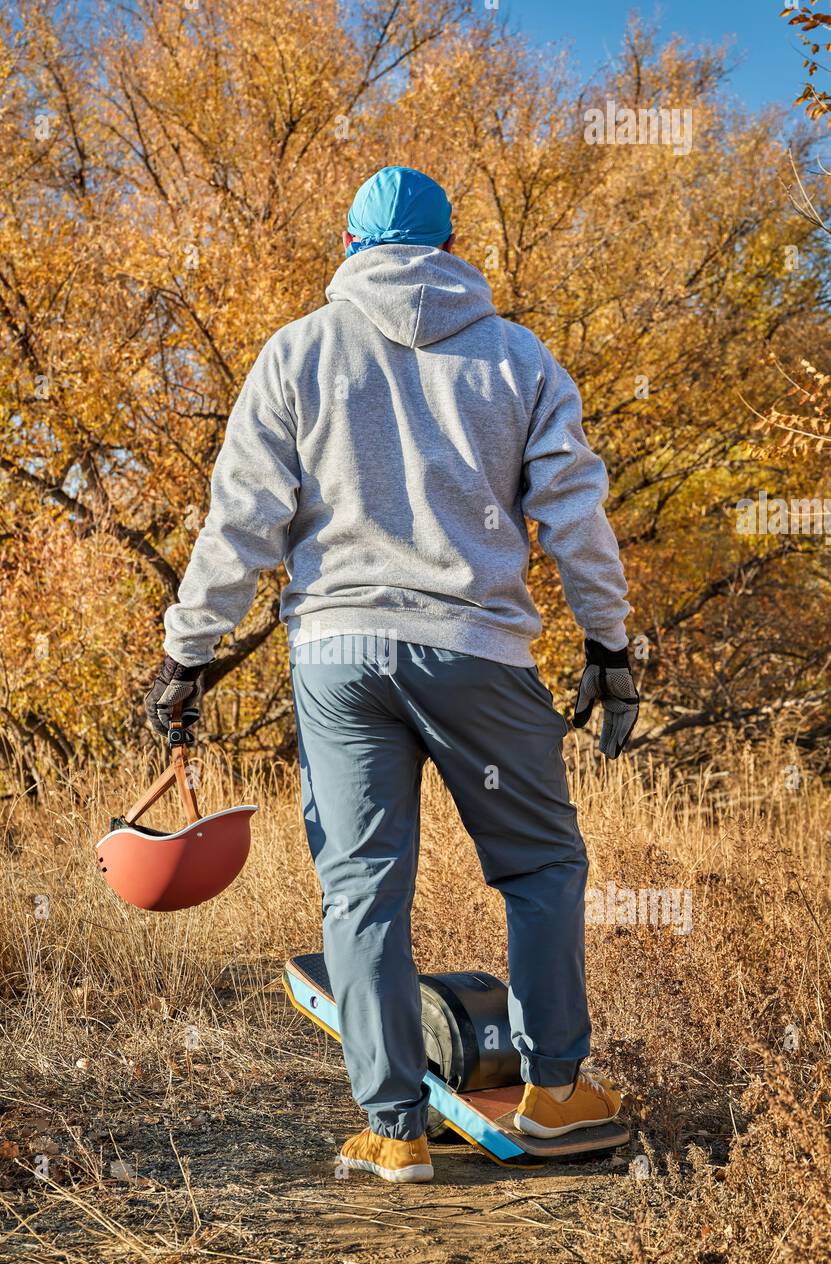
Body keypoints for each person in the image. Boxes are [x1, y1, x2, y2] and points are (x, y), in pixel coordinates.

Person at [145, 166, 639, 1184]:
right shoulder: (519, 358)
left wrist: (188, 651)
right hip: (481, 653)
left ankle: (395, 1129)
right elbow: (574, 516)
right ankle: (556, 1090)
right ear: (451, 245)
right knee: (542, 868)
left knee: (362, 889)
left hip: (339, 652)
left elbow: (241, 519)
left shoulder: (298, 352)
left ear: (349, 245)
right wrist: (610, 643)